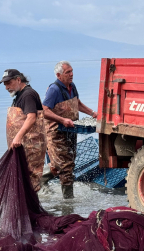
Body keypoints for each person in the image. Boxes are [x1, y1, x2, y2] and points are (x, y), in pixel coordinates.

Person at [42, 61, 97, 199]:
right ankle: (69, 202)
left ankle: (39, 179)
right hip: (56, 133)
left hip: (71, 131)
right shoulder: (54, 89)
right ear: (59, 75)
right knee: (65, 167)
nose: (72, 74)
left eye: (72, 71)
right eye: (68, 72)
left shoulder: (72, 86)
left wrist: (92, 113)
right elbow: (44, 110)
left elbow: (77, 103)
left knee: (69, 163)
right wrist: (62, 120)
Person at [0, 69, 47, 192]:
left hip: (31, 146)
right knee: (23, 179)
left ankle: (30, 208)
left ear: (18, 80)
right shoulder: (19, 95)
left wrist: (18, 137)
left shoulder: (28, 95)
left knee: (30, 179)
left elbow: (31, 117)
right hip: (23, 146)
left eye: (8, 83)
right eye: (5, 85)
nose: (6, 87)